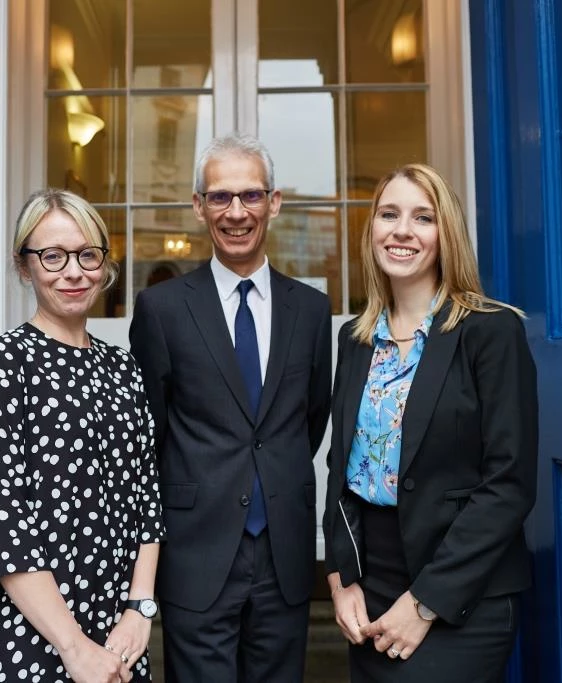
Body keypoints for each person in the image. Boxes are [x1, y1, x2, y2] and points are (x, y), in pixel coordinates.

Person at [129, 133, 332, 682]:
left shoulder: (312, 310)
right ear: (198, 206)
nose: (236, 212)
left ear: (275, 201)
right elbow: (152, 430)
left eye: (251, 195)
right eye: (220, 197)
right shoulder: (162, 310)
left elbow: (309, 419)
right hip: (196, 551)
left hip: (283, 552)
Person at [323, 164, 538, 682]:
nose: (402, 230)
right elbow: (342, 472)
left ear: (447, 235)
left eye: (423, 218)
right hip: (370, 589)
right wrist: (340, 577)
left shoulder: (491, 332)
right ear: (371, 228)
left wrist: (424, 603)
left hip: (462, 592)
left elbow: (508, 484)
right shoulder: (356, 338)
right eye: (389, 214)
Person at [0, 189, 163, 683]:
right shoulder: (6, 362)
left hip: (119, 632)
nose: (73, 272)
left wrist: (140, 609)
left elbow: (148, 498)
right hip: (35, 633)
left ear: (103, 264)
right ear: (24, 266)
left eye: (86, 254)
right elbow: (0, 523)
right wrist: (73, 647)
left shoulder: (122, 366)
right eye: (52, 256)